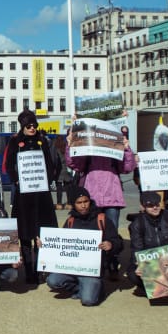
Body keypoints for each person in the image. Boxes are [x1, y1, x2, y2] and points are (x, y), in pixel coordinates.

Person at [66, 118, 135, 278]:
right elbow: (74, 164)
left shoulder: (115, 147)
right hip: (92, 196)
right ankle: (94, 265)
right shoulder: (88, 149)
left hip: (112, 196)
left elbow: (127, 167)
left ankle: (112, 262)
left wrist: (126, 149)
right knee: (92, 232)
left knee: (112, 233)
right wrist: (71, 145)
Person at [3, 109, 57, 284]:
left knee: (42, 233)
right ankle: (29, 272)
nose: (32, 128)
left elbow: (50, 163)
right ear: (23, 126)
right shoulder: (14, 142)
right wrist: (16, 180)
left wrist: (49, 179)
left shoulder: (42, 141)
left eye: (34, 125)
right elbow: (9, 165)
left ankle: (41, 268)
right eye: (29, 126)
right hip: (24, 196)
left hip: (41, 195)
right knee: (25, 235)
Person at [44, 187, 123, 306]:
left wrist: (111, 245)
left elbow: (118, 242)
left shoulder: (101, 219)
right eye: (79, 203)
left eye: (85, 201)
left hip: (91, 271)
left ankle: (95, 288)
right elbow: (60, 245)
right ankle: (80, 288)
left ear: (90, 201)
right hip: (71, 269)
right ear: (73, 204)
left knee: (88, 301)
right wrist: (45, 244)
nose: (83, 205)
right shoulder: (70, 221)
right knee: (52, 280)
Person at [127, 191, 168, 307]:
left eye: (157, 204)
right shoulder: (138, 224)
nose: (154, 207)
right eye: (150, 205)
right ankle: (154, 288)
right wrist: (138, 263)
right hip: (152, 259)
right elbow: (137, 248)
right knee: (133, 273)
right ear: (143, 206)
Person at [51, 135, 72, 210]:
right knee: (68, 188)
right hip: (67, 170)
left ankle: (59, 204)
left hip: (59, 171)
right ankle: (69, 203)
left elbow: (54, 160)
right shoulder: (66, 147)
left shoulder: (55, 148)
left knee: (59, 188)